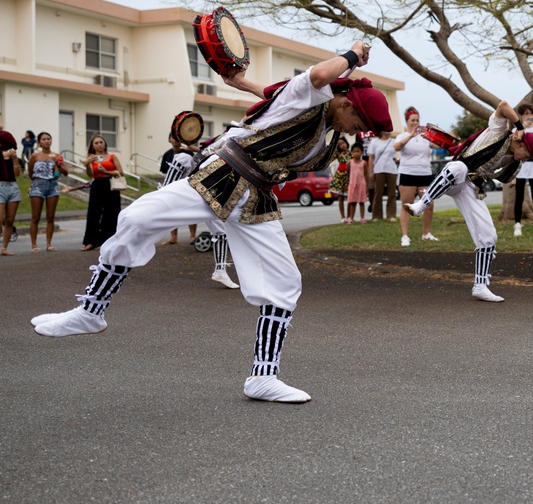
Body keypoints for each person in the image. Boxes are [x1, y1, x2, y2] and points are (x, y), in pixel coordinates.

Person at [31, 41, 391, 404]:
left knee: (286, 282)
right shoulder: (311, 95)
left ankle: (263, 376)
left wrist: (243, 83)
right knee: (136, 218)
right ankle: (91, 311)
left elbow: (274, 95)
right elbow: (312, 78)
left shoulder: (325, 128)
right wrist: (352, 55)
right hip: (219, 177)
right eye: (358, 122)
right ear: (345, 102)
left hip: (257, 200)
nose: (356, 131)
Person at [403, 101, 533, 302]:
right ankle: (422, 204)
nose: (525, 160)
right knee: (458, 168)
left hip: (470, 188)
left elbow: (503, 176)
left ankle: (480, 285)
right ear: (521, 143)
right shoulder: (500, 129)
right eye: (528, 155)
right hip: (455, 175)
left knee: (489, 237)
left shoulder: (514, 160)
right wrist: (520, 127)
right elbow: (503, 105)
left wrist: (515, 164)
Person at [158, 132, 239, 289]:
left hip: (206, 196)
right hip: (188, 197)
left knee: (222, 232)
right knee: (149, 225)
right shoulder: (183, 158)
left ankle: (220, 270)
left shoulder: (198, 154)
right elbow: (167, 184)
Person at [395, 107, 438, 246]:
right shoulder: (402, 136)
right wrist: (411, 135)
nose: (415, 122)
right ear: (407, 121)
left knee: (429, 204)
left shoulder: (425, 137)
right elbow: (397, 147)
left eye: (417, 120)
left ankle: (426, 234)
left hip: (424, 173)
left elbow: (438, 145)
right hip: (408, 174)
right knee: (407, 205)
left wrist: (436, 133)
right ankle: (405, 236)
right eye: (412, 120)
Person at [80, 135, 124, 251]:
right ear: (92, 146)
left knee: (112, 213)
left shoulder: (112, 156)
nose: (99, 145)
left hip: (111, 185)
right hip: (98, 185)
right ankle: (90, 241)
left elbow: (120, 172)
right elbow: (90, 174)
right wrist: (87, 164)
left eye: (101, 142)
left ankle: (111, 240)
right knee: (94, 212)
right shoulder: (91, 158)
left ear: (104, 144)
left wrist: (106, 171)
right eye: (96, 143)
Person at [27, 132, 67, 253]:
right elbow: (30, 172)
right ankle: (34, 245)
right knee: (35, 217)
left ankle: (48, 244)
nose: (46, 141)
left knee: (50, 217)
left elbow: (65, 172)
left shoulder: (57, 155)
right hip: (38, 185)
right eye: (43, 139)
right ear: (39, 142)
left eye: (49, 139)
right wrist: (36, 182)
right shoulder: (35, 156)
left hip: (53, 185)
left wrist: (58, 163)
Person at [160, 135, 199, 245]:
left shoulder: (188, 153)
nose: (175, 139)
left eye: (178, 136)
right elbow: (165, 172)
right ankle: (173, 237)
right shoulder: (167, 154)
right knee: (172, 212)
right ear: (169, 139)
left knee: (191, 212)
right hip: (172, 187)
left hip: (186, 187)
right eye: (173, 137)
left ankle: (192, 236)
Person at [512, 103, 533, 237]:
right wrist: (523, 127)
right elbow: (514, 142)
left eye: (530, 113)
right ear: (521, 115)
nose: (528, 116)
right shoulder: (518, 129)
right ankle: (517, 225)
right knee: (519, 197)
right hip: (521, 166)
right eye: (525, 113)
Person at [368, 130, 398, 222]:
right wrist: (371, 171)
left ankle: (391, 214)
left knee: (392, 193)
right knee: (378, 193)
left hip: (391, 169)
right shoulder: (374, 142)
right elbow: (371, 157)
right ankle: (377, 215)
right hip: (378, 169)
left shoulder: (394, 142)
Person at [1, 127, 22, 256]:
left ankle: (4, 248)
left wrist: (14, 160)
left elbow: (17, 174)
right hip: (0, 187)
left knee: (9, 221)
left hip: (13, 187)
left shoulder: (12, 155)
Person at [346, 142, 368, 224]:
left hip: (361, 185)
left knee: (362, 202)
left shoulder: (364, 163)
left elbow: (366, 175)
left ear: (361, 152)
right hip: (353, 185)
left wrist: (366, 186)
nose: (356, 153)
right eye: (354, 151)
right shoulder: (349, 163)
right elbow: (348, 173)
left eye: (358, 151)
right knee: (353, 202)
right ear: (352, 153)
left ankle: (362, 218)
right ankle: (351, 218)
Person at [331, 137, 351, 220]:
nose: (342, 145)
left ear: (346, 143)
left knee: (350, 197)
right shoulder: (338, 154)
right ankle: (343, 216)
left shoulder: (352, 153)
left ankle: (350, 216)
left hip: (349, 176)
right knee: (340, 197)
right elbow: (330, 159)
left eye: (343, 143)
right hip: (340, 176)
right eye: (339, 145)